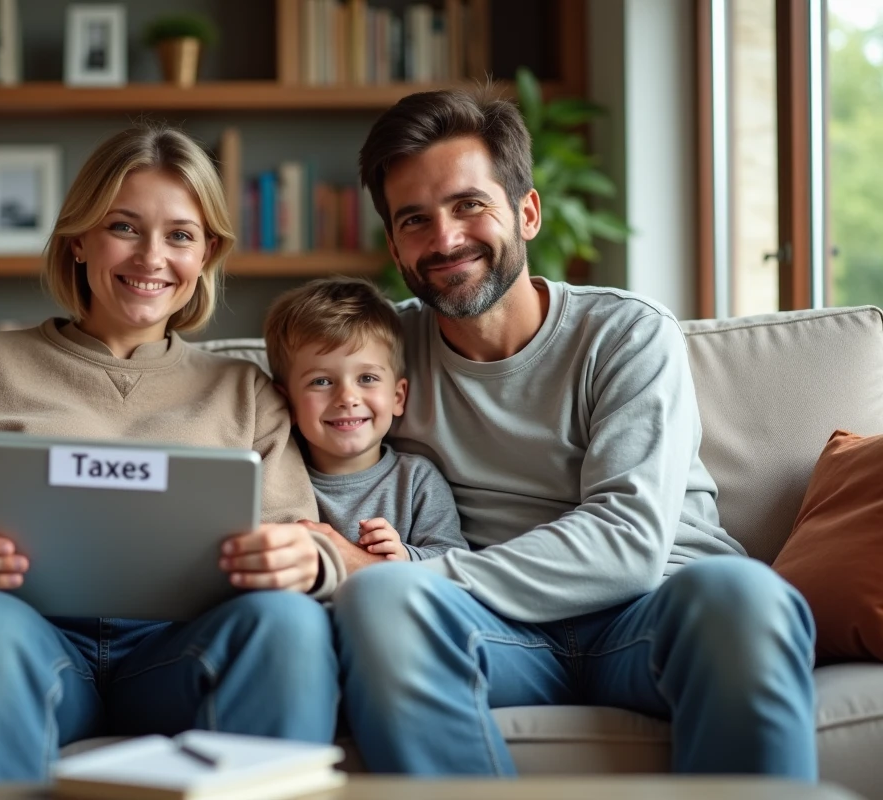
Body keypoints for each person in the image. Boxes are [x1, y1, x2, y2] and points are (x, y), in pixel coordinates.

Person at [0, 123, 342, 781]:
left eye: (179, 235)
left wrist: (304, 561)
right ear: (78, 239)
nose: (152, 257)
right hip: (13, 641)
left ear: (206, 254)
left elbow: (309, 543)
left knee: (288, 624)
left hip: (174, 657)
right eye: (124, 227)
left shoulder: (247, 393)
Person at [329, 88, 818, 777]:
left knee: (745, 593)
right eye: (416, 219)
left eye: (470, 205)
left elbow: (628, 541)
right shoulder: (382, 355)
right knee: (381, 598)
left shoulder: (625, 332)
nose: (444, 239)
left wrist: (427, 569)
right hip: (500, 635)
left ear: (526, 212)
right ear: (394, 244)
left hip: (652, 617)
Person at [263, 277, 467, 564]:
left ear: (398, 397)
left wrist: (405, 556)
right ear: (287, 403)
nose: (347, 397)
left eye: (367, 378)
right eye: (321, 381)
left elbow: (454, 561)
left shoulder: (417, 481)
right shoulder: (274, 478)